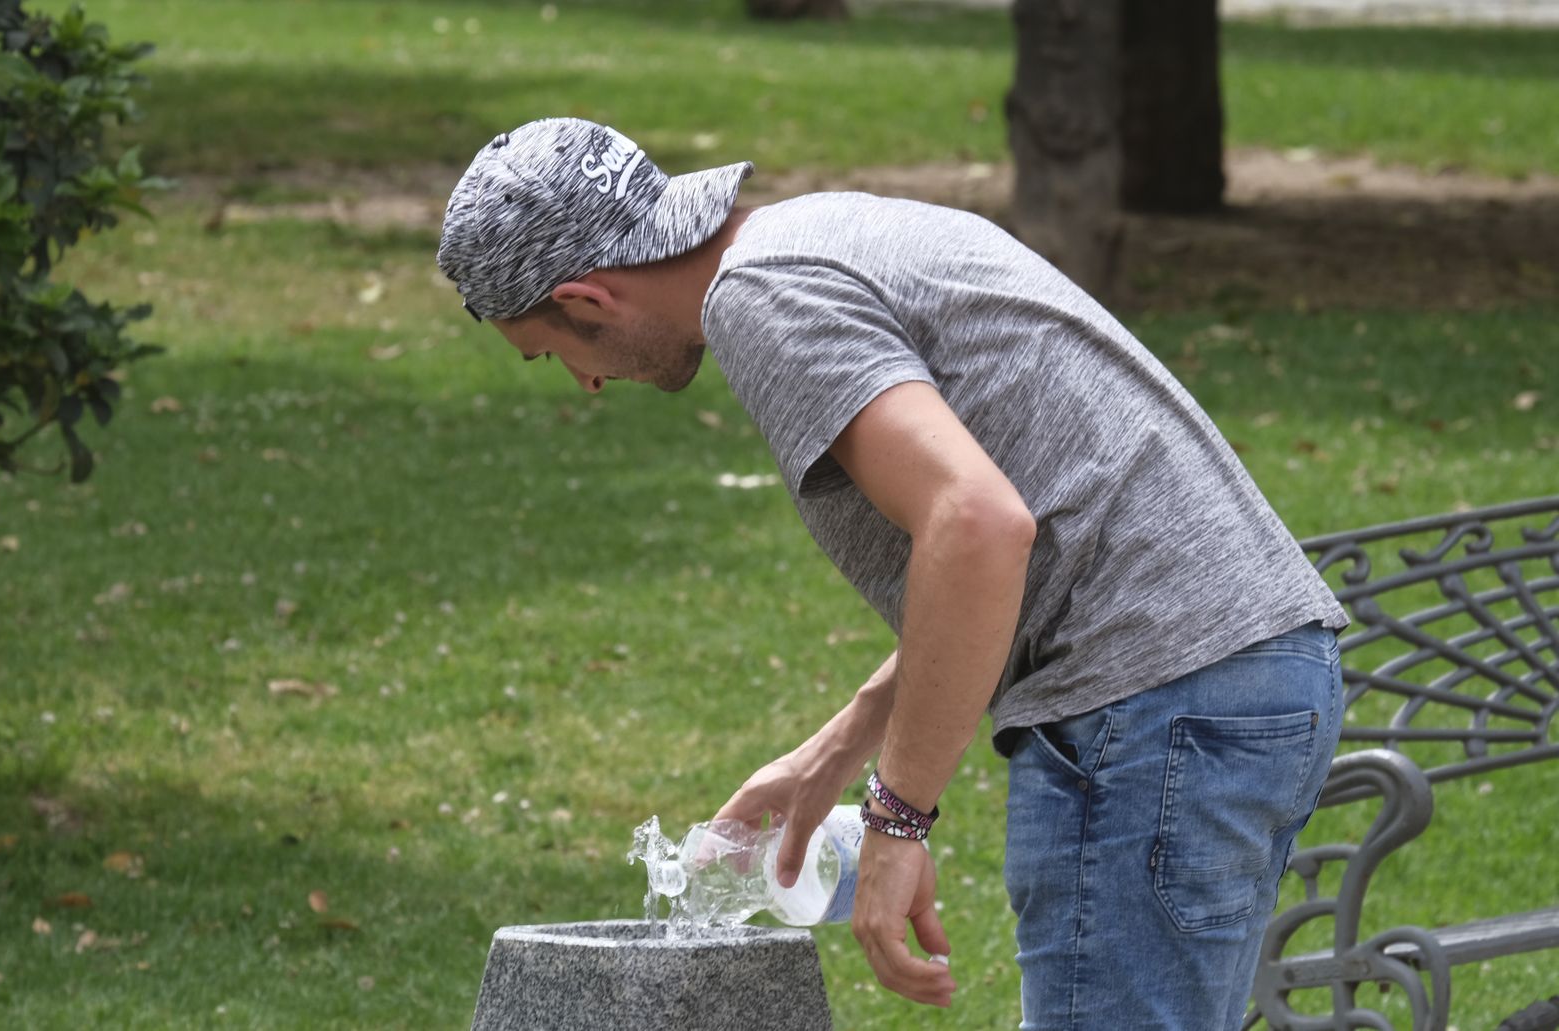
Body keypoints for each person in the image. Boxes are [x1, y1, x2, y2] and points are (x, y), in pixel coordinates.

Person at [436, 117, 1350, 1030]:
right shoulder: (819, 233)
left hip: (1153, 701)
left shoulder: (763, 299)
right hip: (1239, 673)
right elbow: (1005, 548)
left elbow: (980, 526)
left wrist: (897, 818)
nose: (585, 383)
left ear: (586, 299)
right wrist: (835, 750)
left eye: (552, 352)